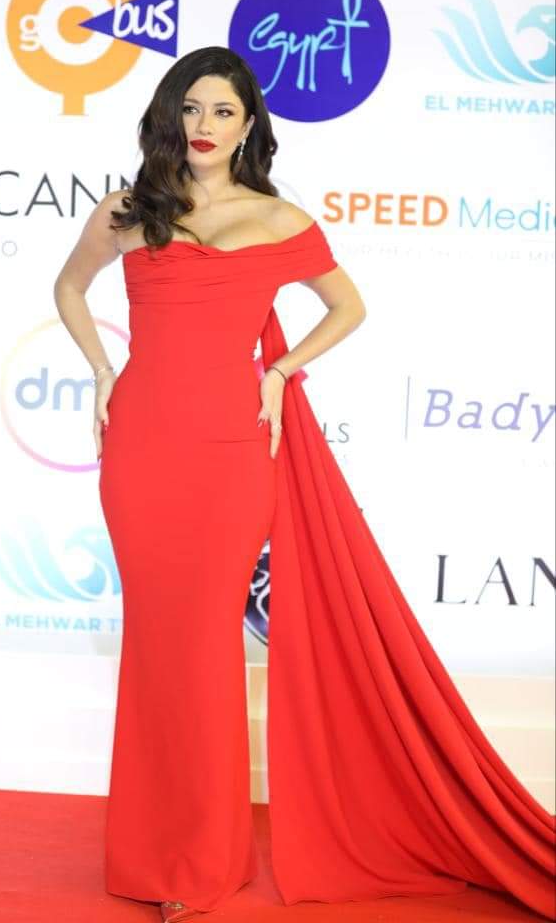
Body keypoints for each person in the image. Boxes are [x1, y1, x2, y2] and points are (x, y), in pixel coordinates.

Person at [54, 47, 556, 923]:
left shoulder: (280, 220)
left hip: (231, 452)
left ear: (248, 126)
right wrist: (101, 369)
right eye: (190, 108)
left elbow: (348, 306)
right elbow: (68, 285)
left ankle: (201, 861)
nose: (203, 126)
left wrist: (281, 370)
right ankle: (150, 852)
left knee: (207, 650)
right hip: (141, 448)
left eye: (222, 111)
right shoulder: (129, 211)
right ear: (168, 117)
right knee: (156, 646)